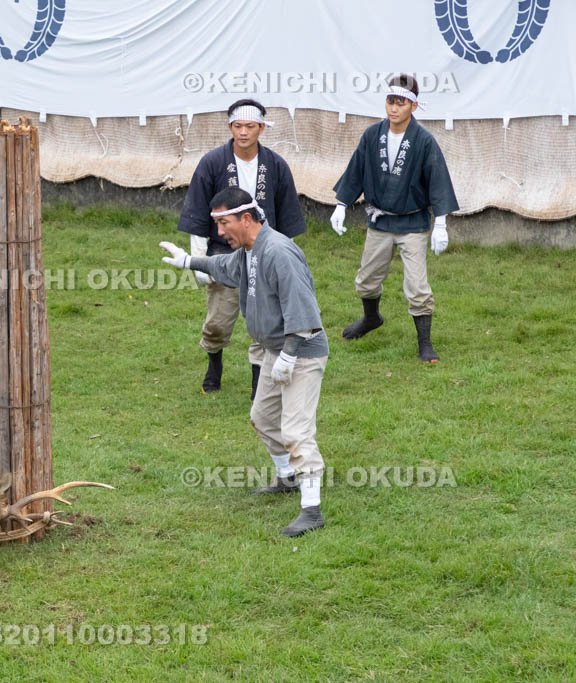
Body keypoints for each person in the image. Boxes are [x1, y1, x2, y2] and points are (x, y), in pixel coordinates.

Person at [161, 186, 328, 537]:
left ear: (247, 218)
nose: (219, 232)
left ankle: (312, 510)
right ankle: (287, 478)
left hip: (301, 350)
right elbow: (225, 266)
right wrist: (188, 261)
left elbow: (305, 312)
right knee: (263, 417)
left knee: (297, 430)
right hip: (274, 349)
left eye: (224, 223)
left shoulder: (280, 252)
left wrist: (288, 356)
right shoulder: (249, 251)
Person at [177, 99, 305, 398]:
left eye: (250, 126)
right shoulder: (212, 163)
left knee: (266, 318)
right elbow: (197, 209)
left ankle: (257, 382)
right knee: (219, 320)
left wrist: (288, 258)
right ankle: (214, 361)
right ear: (229, 127)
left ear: (262, 127)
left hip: (266, 250)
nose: (244, 132)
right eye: (238, 126)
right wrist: (198, 259)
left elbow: (287, 214)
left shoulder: (275, 165)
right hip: (224, 251)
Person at [330, 74, 459, 363]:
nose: (393, 108)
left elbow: (438, 182)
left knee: (417, 287)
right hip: (380, 221)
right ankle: (371, 319)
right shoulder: (372, 135)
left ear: (413, 106)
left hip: (412, 223)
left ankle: (424, 344)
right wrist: (341, 204)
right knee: (366, 280)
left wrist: (441, 224)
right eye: (390, 101)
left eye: (400, 103)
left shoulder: (424, 141)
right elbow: (355, 171)